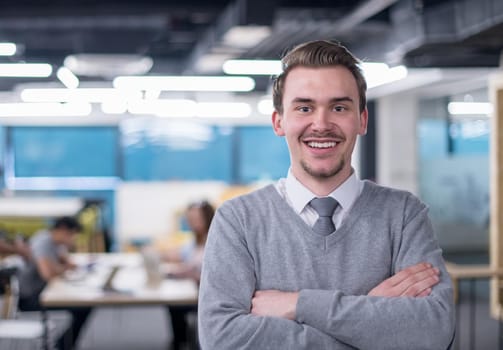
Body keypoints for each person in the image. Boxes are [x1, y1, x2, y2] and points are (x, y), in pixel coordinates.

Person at [198, 40, 455, 349]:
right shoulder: (238, 219)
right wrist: (368, 321)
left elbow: (433, 331)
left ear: (362, 120)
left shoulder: (403, 214)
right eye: (304, 107)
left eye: (339, 107)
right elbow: (221, 339)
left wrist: (300, 305)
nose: (321, 124)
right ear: (279, 122)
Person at [17, 216, 92, 349]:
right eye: (72, 235)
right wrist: (61, 268)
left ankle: (63, 345)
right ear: (63, 230)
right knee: (82, 307)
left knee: (83, 305)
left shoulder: (55, 243)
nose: (73, 238)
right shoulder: (43, 242)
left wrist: (61, 264)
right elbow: (48, 274)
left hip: (45, 292)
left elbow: (68, 264)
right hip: (31, 298)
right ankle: (63, 346)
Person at [164, 200, 215, 350]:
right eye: (190, 219)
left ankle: (184, 342)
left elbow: (213, 275)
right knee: (172, 305)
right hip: (191, 291)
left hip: (206, 296)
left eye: (195, 219)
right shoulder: (195, 241)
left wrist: (190, 274)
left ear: (207, 218)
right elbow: (181, 255)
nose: (192, 223)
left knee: (175, 305)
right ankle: (180, 341)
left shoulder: (214, 240)